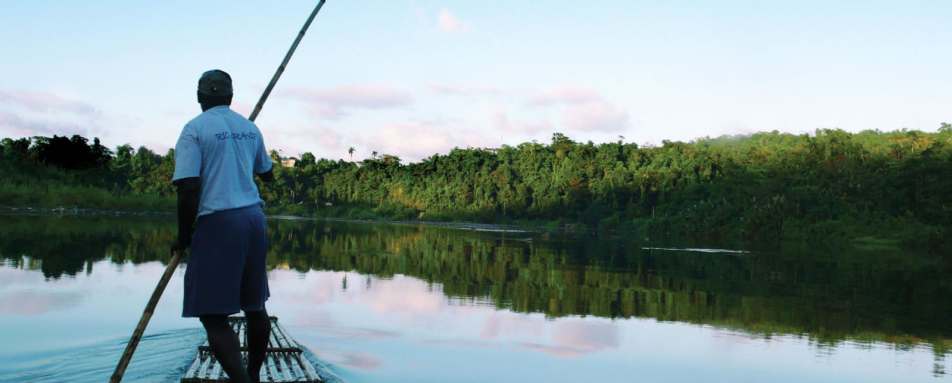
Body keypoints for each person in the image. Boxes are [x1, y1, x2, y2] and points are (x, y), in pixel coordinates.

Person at [172, 69, 274, 383]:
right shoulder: (249, 128)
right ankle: (253, 376)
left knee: (213, 316)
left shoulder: (194, 130)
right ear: (230, 97)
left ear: (200, 97)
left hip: (219, 222)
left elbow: (189, 188)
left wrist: (184, 236)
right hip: (254, 220)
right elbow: (267, 173)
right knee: (254, 306)